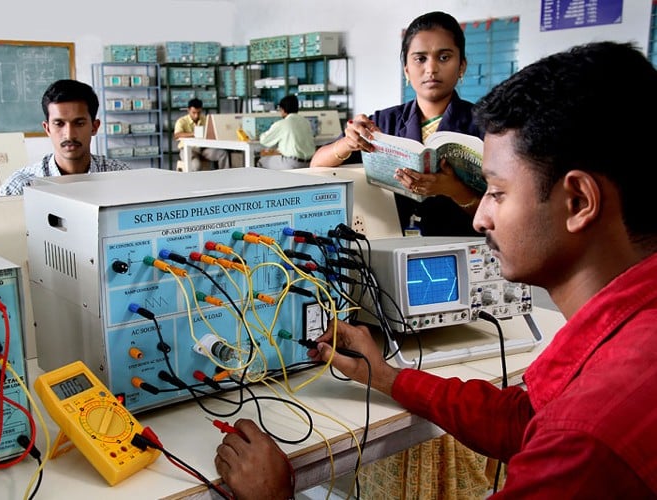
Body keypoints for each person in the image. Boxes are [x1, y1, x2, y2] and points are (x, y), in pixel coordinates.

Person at [214, 40, 657, 498]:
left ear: (579, 202)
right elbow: (523, 419)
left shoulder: (588, 440)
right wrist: (386, 376)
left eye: (498, 193)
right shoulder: (628, 334)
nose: (481, 216)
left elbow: (562, 429)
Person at [310, 11, 482, 237]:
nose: (431, 69)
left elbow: (503, 215)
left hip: (462, 249)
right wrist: (347, 143)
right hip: (395, 247)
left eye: (444, 57)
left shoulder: (486, 125)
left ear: (461, 66)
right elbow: (317, 165)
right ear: (407, 71)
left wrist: (454, 190)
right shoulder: (383, 121)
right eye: (420, 58)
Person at [0, 79, 129, 196]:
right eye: (59, 124)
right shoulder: (18, 189)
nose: (69, 134)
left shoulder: (122, 178)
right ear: (47, 128)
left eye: (79, 123)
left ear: (94, 127)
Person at [256, 95, 316, 170]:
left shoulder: (282, 123)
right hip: (309, 163)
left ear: (282, 109)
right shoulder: (306, 122)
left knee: (261, 162)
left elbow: (264, 140)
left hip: (292, 164)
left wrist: (258, 135)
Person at [174, 98, 230, 171]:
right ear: (188, 110)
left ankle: (225, 177)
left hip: (203, 149)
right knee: (196, 165)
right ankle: (195, 181)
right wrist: (194, 134)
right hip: (188, 149)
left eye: (199, 112)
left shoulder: (205, 119)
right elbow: (177, 135)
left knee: (222, 154)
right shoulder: (181, 121)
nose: (196, 115)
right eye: (193, 112)